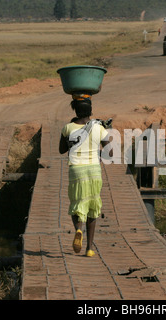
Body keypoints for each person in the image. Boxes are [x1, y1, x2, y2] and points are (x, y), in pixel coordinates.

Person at [58, 94, 112, 257]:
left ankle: (78, 230)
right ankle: (89, 248)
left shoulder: (68, 128)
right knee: (93, 207)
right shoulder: (99, 128)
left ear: (75, 109)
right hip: (94, 170)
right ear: (91, 110)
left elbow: (61, 150)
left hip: (76, 170)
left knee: (77, 205)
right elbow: (110, 152)